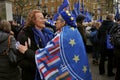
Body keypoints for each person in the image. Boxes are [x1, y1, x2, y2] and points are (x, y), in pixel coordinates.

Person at [35, 10, 92, 80]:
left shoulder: (64, 36)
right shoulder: (73, 31)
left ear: (63, 22)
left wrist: (26, 51)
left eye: (57, 19)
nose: (55, 22)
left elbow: (47, 52)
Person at [17, 10, 54, 80]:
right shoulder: (24, 35)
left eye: (44, 18)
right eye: (41, 18)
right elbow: (20, 60)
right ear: (33, 20)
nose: (44, 20)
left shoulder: (48, 34)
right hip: (31, 76)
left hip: (45, 74)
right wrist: (38, 66)